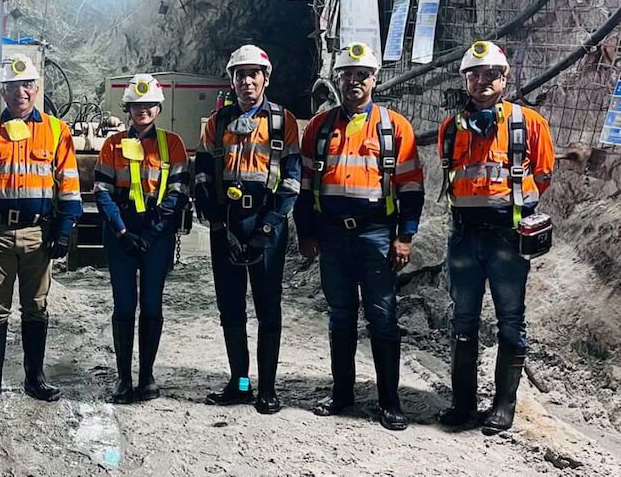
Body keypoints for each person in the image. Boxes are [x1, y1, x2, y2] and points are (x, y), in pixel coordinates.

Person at [295, 43, 424, 430]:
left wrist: (405, 237)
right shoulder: (319, 127)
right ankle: (342, 393)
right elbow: (304, 187)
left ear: (375, 78)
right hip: (332, 236)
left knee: (383, 317)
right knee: (341, 317)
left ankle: (389, 400)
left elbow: (411, 187)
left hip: (377, 234)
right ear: (338, 79)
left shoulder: (394, 127)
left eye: (362, 74)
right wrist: (306, 233)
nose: (354, 81)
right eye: (347, 74)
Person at [437, 40, 554, 435]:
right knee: (463, 320)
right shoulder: (450, 129)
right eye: (475, 74)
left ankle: (503, 406)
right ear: (465, 80)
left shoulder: (529, 123)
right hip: (465, 237)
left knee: (510, 322)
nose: (482, 81)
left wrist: (517, 207)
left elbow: (543, 174)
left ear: (505, 79)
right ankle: (463, 404)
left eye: (491, 74)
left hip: (507, 238)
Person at [0, 54, 82, 406]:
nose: (21, 92)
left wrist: (64, 228)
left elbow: (69, 184)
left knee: (35, 307)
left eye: (27, 84)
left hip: (38, 234)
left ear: (37, 88)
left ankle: (35, 377)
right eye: (13, 86)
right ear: (2, 90)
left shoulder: (57, 130)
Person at [195, 44, 301, 414]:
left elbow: (291, 180)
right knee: (231, 309)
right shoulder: (217, 122)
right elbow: (204, 176)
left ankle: (268, 389)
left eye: (253, 74)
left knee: (268, 309)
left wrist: (269, 228)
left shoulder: (281, 121)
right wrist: (217, 221)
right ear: (233, 80)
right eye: (240, 75)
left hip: (265, 223)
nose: (247, 81)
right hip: (227, 224)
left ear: (265, 78)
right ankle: (240, 383)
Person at [94, 74, 190, 403]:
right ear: (128, 109)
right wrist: (122, 231)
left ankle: (146, 375)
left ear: (158, 107)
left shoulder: (172, 145)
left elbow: (178, 191)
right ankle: (123, 378)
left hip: (156, 232)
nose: (142, 110)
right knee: (124, 305)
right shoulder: (112, 145)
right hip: (121, 231)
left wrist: (152, 231)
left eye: (148, 104)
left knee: (151, 303)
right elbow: (103, 191)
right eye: (136, 105)